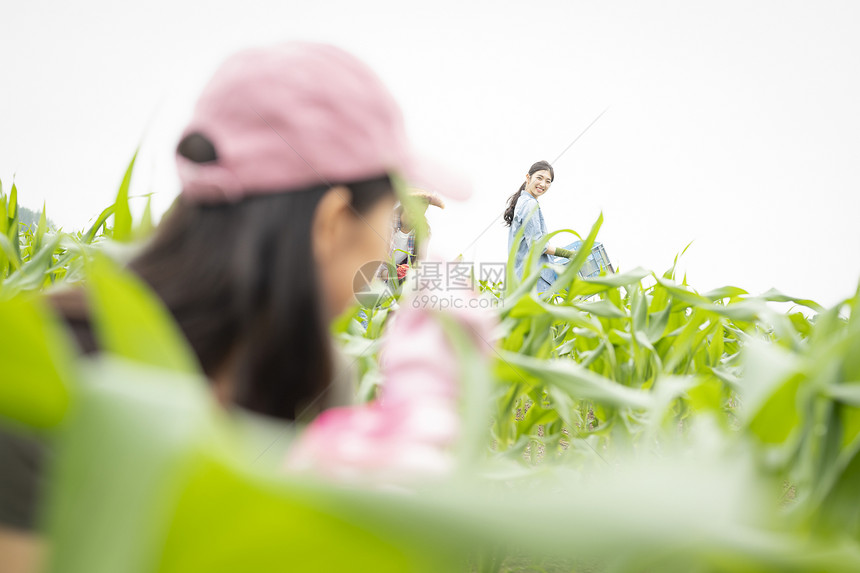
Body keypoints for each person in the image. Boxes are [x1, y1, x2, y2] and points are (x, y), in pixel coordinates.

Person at [0, 41, 491, 572]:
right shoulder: (39, 370)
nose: (384, 256)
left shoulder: (322, 376)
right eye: (386, 220)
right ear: (331, 223)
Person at [503, 160, 575, 291]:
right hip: (533, 283)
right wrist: (567, 253)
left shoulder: (522, 202)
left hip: (520, 280)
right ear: (528, 177)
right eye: (539, 178)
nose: (543, 184)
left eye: (548, 181)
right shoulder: (530, 205)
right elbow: (538, 245)